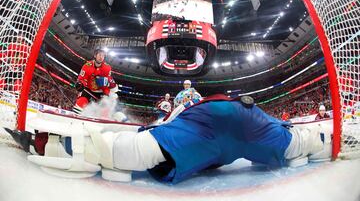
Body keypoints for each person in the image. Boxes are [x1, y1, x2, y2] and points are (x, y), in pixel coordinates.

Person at [7, 94, 333, 184]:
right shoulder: (193, 105)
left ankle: (54, 144)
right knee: (297, 145)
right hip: (242, 118)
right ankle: (325, 141)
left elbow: (168, 126)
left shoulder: (182, 108)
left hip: (212, 121)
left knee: (132, 149)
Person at [72, 47, 117, 114]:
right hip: (88, 89)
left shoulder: (107, 68)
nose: (101, 57)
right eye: (99, 55)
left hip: (100, 92)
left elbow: (107, 83)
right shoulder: (87, 66)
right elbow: (82, 79)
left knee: (104, 111)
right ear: (95, 55)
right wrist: (80, 84)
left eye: (103, 55)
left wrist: (106, 94)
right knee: (80, 104)